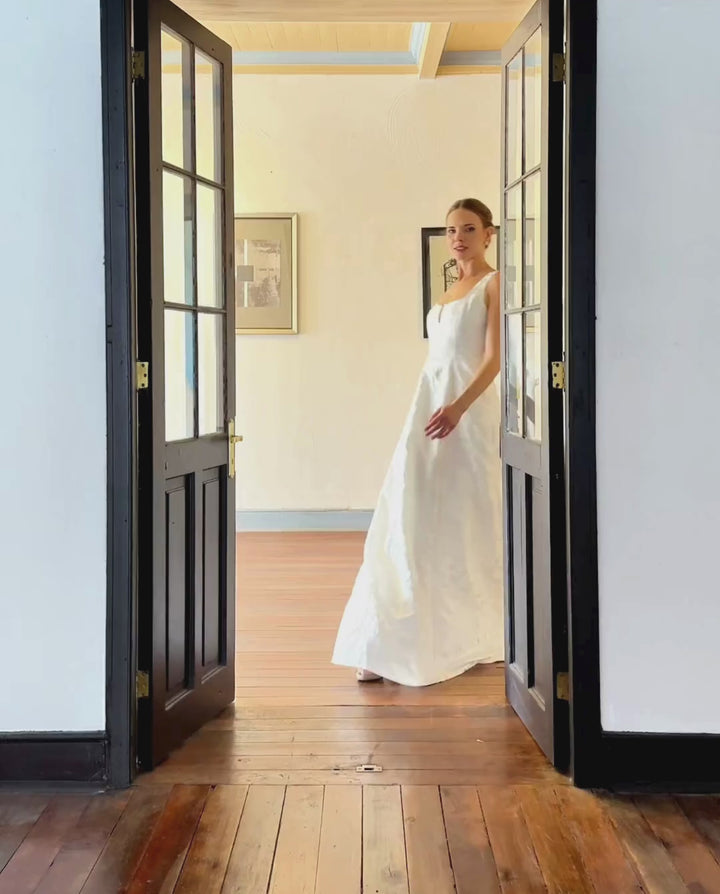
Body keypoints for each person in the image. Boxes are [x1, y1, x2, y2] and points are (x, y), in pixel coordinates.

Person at [331, 198, 504, 686]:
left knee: (466, 518)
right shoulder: (448, 291)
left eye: (468, 229)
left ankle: (467, 631)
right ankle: (387, 638)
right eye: (451, 230)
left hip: (467, 414)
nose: (458, 238)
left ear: (488, 234)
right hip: (429, 409)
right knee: (409, 510)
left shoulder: (494, 284)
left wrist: (459, 408)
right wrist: (439, 406)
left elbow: (493, 360)